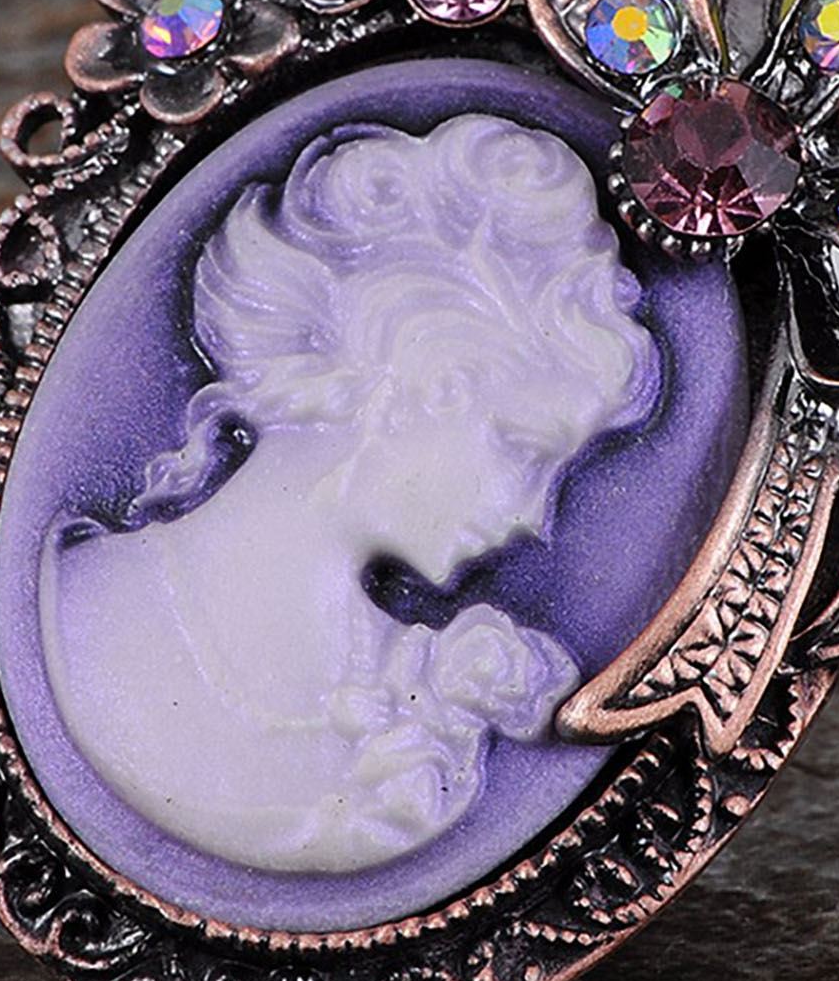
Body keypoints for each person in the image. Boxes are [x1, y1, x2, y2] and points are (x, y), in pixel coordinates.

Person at [40, 113, 659, 875]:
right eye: (522, 448)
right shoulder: (79, 606)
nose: (533, 515)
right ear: (421, 382)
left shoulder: (428, 710)